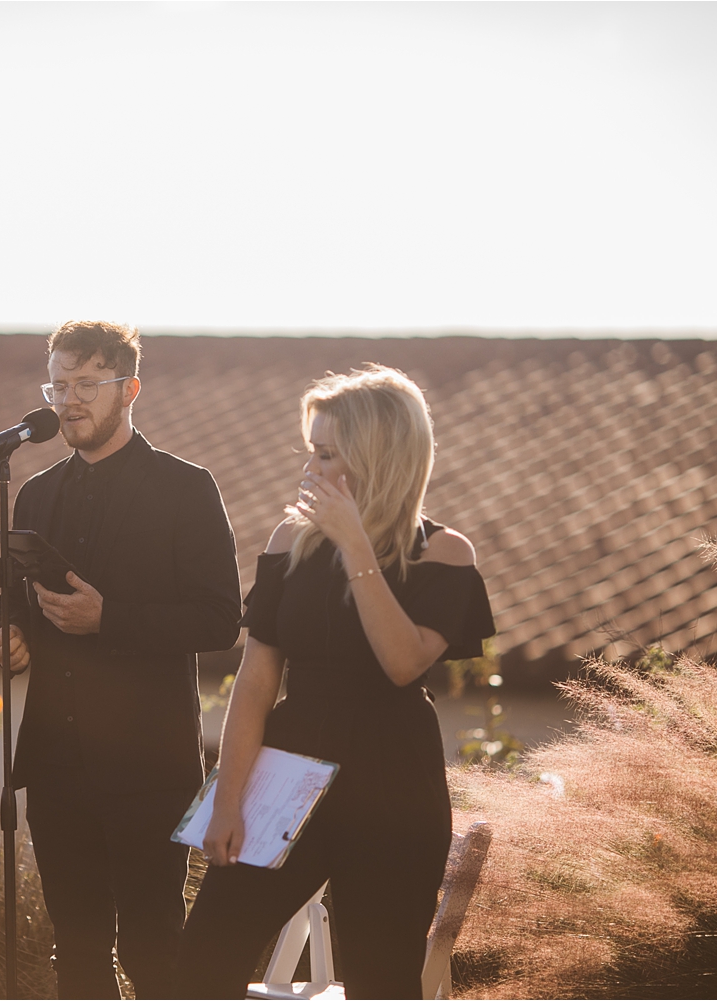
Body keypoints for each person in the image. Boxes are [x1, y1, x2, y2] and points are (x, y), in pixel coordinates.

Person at [176, 365, 497, 998]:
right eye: (311, 452)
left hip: (394, 782)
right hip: (288, 769)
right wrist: (229, 797)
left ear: (377, 456)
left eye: (326, 454)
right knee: (199, 965)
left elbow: (404, 663)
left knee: (381, 982)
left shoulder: (444, 554)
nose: (310, 469)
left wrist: (356, 546)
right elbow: (256, 682)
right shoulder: (289, 542)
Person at [0, 320, 241, 998]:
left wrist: (111, 619)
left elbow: (222, 618)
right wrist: (10, 634)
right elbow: (13, 602)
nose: (69, 400)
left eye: (86, 384)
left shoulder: (187, 488)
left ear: (129, 388)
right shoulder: (35, 494)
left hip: (149, 767)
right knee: (77, 950)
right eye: (58, 384)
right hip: (56, 763)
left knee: (154, 945)